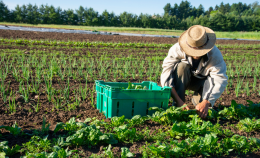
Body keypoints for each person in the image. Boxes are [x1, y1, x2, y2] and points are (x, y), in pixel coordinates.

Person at [160, 25, 228, 118]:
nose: (196, 54)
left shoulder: (215, 55)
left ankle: (198, 100)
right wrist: (179, 101)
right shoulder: (177, 49)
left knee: (201, 110)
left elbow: (219, 79)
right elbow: (166, 74)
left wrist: (206, 102)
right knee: (181, 67)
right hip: (183, 78)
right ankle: (178, 105)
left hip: (202, 82)